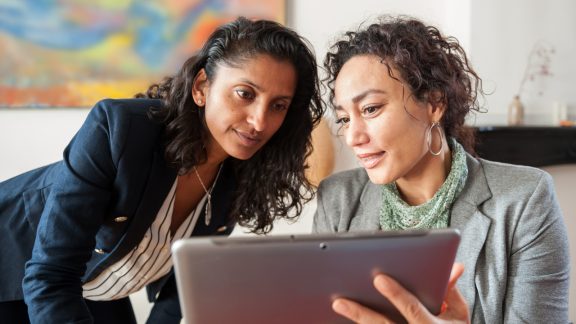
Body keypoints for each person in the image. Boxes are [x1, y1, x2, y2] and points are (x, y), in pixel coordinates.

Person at [0, 17, 324, 323]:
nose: (259, 121)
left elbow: (180, 287)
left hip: (99, 289)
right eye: (245, 94)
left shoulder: (242, 172)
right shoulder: (118, 130)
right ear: (201, 87)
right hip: (16, 275)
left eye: (278, 105)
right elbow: (50, 276)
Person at [314, 15, 570, 323]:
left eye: (370, 109)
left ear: (435, 103)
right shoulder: (338, 200)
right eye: (344, 118)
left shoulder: (525, 200)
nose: (353, 137)